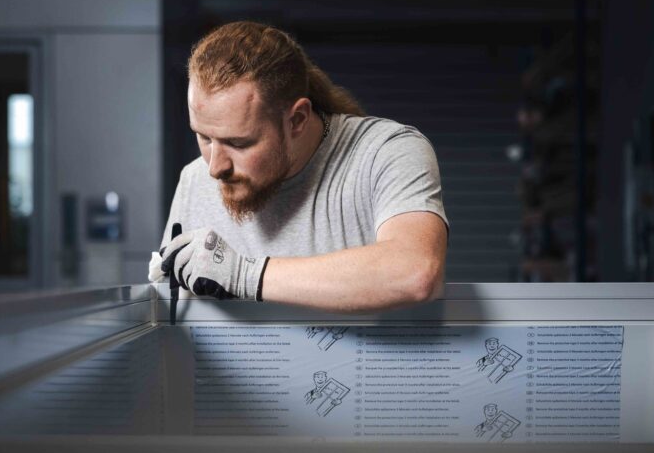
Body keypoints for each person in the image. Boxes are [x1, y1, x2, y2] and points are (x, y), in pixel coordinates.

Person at [151, 21, 448, 312]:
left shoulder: (384, 152)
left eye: (239, 143)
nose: (215, 168)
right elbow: (168, 313)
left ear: (297, 120)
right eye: (203, 136)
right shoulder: (195, 178)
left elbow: (415, 273)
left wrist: (245, 275)